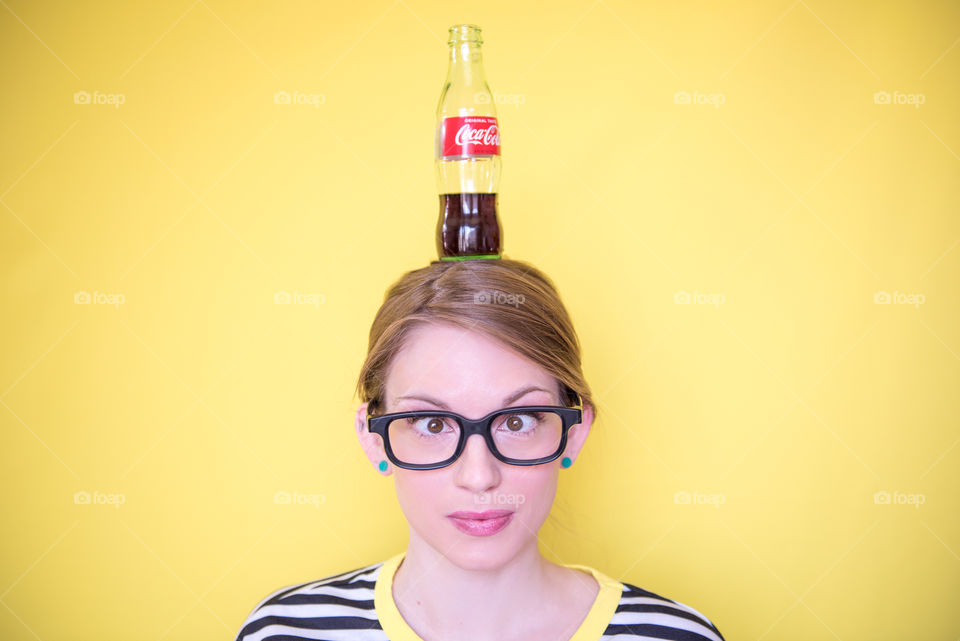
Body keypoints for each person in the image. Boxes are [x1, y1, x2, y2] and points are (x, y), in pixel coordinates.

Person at [234, 258, 725, 641]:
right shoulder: (284, 631)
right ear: (373, 437)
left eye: (516, 421)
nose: (478, 476)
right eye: (430, 423)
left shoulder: (676, 636)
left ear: (573, 432)